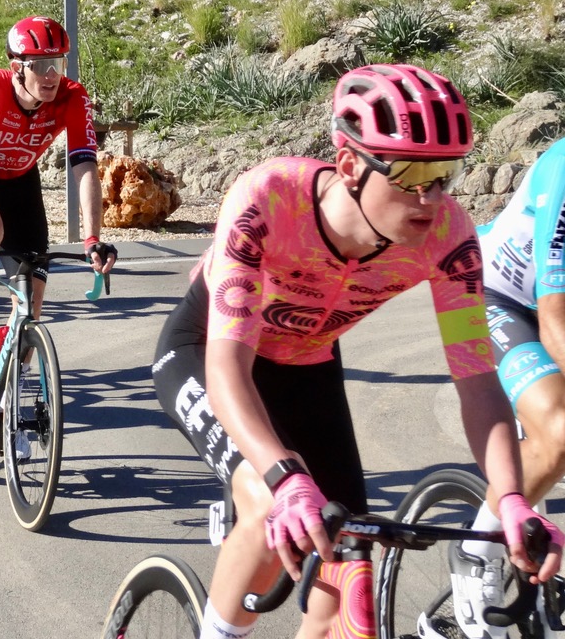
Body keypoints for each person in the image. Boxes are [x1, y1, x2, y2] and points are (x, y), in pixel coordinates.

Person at [148, 64, 562, 639]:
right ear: (349, 165)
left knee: (349, 575)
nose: (431, 196)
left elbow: (477, 382)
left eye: (445, 172)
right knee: (270, 507)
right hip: (208, 353)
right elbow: (226, 368)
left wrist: (512, 498)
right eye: (413, 173)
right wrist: (287, 480)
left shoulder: (450, 237)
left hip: (307, 365)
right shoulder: (267, 199)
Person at [0, 15, 116, 385]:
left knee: (31, 300)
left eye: (59, 63)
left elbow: (84, 168)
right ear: (17, 68)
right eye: (42, 66)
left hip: (19, 180)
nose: (53, 75)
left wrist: (93, 238)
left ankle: (12, 386)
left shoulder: (72, 96)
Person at [473, 134, 565, 637]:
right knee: (559, 429)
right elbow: (554, 315)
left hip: (549, 305)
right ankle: (478, 551)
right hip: (493, 295)